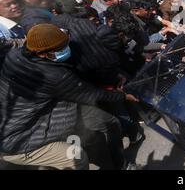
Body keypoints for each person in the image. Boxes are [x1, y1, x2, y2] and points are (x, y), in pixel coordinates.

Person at [0, 24, 139, 170]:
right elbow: (94, 95)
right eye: (61, 49)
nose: (67, 50)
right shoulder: (55, 76)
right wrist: (123, 96)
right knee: (77, 158)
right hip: (18, 139)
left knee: (103, 125)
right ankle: (120, 165)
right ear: (42, 54)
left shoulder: (15, 55)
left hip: (32, 111)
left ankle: (116, 163)